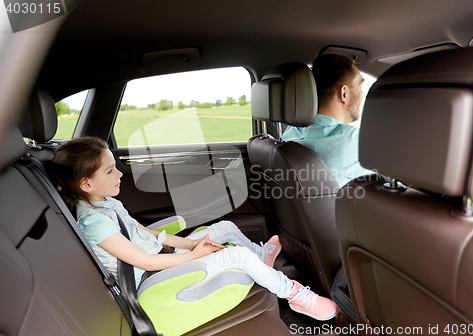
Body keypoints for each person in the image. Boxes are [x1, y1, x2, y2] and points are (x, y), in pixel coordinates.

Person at [46, 136, 337, 321]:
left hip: (161, 258)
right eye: (110, 171)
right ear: (86, 184)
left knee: (223, 227)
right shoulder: (93, 221)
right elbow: (145, 261)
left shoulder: (106, 202)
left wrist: (190, 244)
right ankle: (295, 294)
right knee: (237, 257)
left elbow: (143, 232)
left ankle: (262, 257)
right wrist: (195, 255)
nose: (120, 173)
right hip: (150, 279)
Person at [282, 54, 374, 188]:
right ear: (344, 93)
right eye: (359, 87)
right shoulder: (351, 140)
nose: (362, 95)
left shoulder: (291, 133)